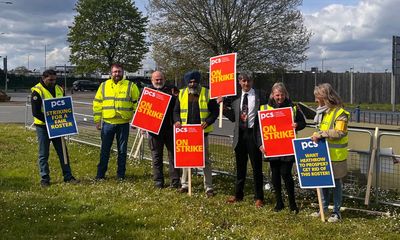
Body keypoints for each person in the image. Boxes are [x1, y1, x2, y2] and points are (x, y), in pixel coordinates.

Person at [219, 73, 266, 208]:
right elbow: (233, 117)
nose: (246, 83)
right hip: (240, 135)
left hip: (254, 135)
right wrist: (222, 107)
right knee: (240, 168)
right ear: (239, 82)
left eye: (249, 81)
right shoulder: (234, 97)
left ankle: (259, 197)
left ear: (252, 81)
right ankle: (238, 195)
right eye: (244, 81)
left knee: (257, 168)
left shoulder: (260, 95)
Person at [260, 82, 306, 213]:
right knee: (275, 175)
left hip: (287, 147)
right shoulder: (265, 107)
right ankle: (279, 203)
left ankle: (292, 204)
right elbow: (259, 128)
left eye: (281, 95)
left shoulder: (293, 107)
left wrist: (296, 124)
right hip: (272, 147)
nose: (279, 97)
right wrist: (260, 144)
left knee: (286, 174)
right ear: (272, 95)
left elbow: (303, 122)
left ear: (285, 94)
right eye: (277, 95)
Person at [173, 70, 218, 197]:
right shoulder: (181, 94)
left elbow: (215, 112)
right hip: (186, 132)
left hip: (201, 132)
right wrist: (177, 121)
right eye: (190, 82)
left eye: (195, 81)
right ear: (187, 82)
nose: (193, 84)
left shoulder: (206, 93)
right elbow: (175, 111)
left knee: (205, 160)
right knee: (186, 159)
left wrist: (208, 122)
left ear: (198, 82)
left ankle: (208, 187)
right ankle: (185, 184)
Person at [93, 64, 140, 180]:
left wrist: (136, 121)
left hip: (123, 124)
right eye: (115, 72)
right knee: (104, 150)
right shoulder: (104, 86)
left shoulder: (131, 86)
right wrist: (97, 120)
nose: (117, 74)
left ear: (123, 73)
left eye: (119, 72)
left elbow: (137, 104)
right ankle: (100, 175)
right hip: (107, 123)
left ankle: (121, 175)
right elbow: (97, 103)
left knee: (122, 151)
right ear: (111, 73)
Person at [31, 69, 78, 187]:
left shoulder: (59, 89)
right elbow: (36, 112)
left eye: (55, 79)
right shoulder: (37, 91)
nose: (53, 82)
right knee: (43, 153)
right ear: (43, 78)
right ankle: (44, 178)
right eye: (50, 80)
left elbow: (64, 106)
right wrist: (50, 122)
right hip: (43, 127)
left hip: (57, 126)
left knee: (63, 152)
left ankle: (68, 176)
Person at [310, 83, 349, 222]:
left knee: (336, 184)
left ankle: (336, 212)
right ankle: (323, 208)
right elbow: (322, 130)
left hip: (336, 156)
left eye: (317, 97)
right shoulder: (323, 112)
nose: (315, 100)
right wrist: (317, 134)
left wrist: (321, 134)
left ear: (325, 97)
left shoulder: (340, 112)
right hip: (324, 153)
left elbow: (340, 132)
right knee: (324, 182)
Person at [147, 71, 181, 188]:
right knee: (156, 157)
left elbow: (177, 108)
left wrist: (177, 121)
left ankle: (175, 182)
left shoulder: (172, 90)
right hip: (154, 130)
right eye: (156, 79)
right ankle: (158, 182)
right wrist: (141, 125)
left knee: (173, 156)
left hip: (169, 128)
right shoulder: (147, 91)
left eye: (160, 79)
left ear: (164, 79)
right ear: (152, 80)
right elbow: (143, 109)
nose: (159, 81)